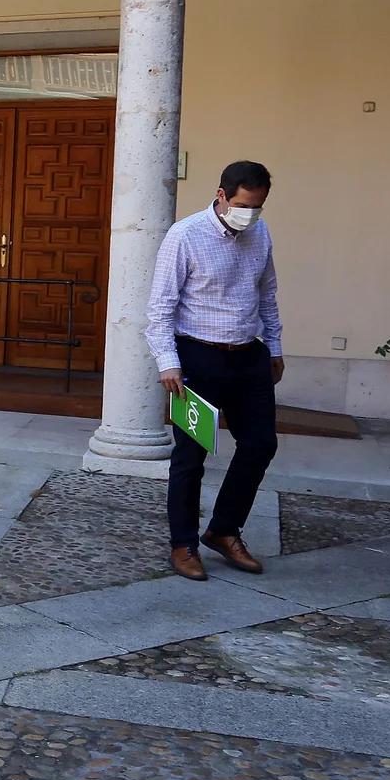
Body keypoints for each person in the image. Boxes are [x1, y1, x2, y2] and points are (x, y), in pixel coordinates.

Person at [148, 160, 283, 581]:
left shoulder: (259, 232)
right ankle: (184, 544)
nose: (251, 214)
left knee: (261, 444)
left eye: (258, 206)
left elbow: (268, 294)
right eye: (244, 205)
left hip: (249, 355)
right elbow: (160, 308)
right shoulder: (185, 235)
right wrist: (168, 362)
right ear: (222, 195)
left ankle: (223, 530)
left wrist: (275, 348)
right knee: (191, 456)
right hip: (198, 358)